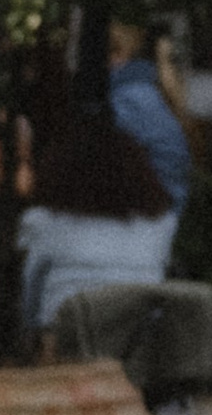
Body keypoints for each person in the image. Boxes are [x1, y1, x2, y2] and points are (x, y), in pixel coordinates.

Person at [19, 107, 180, 340]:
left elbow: (29, 297)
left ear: (60, 173)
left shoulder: (41, 222)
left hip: (67, 350)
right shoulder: (162, 224)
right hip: (138, 351)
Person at [108, 25, 193, 216]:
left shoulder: (127, 98)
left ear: (118, 54)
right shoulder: (144, 89)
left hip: (151, 216)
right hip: (162, 211)